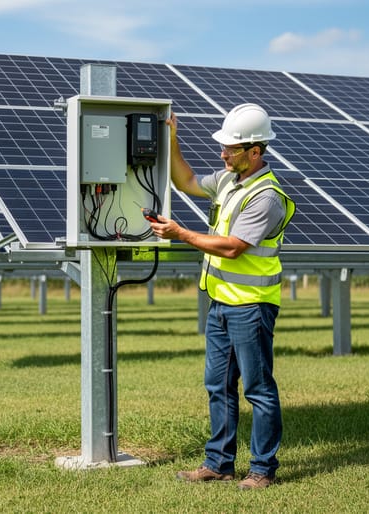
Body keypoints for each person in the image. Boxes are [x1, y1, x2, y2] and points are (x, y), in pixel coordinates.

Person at [148, 103, 296, 490]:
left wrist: (182, 234)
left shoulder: (266, 196)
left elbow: (232, 248)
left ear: (255, 152)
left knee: (259, 390)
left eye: (231, 149)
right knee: (218, 385)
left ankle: (262, 469)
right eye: (224, 147)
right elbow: (188, 182)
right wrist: (173, 140)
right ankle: (219, 464)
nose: (223, 154)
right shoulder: (230, 180)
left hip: (250, 306)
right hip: (221, 303)